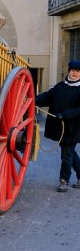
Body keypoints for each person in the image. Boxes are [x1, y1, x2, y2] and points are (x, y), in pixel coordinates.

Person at [35, 60, 80, 192]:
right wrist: (34, 99)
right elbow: (48, 96)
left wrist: (65, 114)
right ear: (69, 71)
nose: (74, 73)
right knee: (70, 152)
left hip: (73, 128)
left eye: (77, 71)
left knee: (66, 154)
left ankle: (64, 181)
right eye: (73, 71)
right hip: (59, 126)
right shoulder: (61, 85)